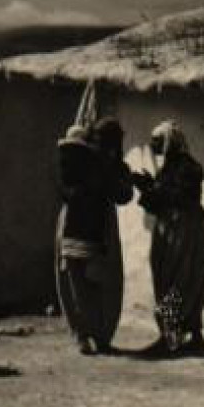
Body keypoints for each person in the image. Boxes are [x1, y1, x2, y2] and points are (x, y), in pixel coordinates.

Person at [130, 120, 204, 355]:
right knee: (176, 276)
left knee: (181, 277)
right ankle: (190, 335)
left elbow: (177, 197)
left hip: (185, 227)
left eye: (157, 141)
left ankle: (171, 337)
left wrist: (151, 188)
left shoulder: (188, 168)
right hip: (173, 226)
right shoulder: (171, 167)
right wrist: (149, 187)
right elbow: (163, 198)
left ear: (169, 142)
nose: (152, 145)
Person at [55, 119, 133, 354]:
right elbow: (65, 188)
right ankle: (82, 334)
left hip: (103, 225)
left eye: (108, 139)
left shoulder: (113, 166)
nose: (102, 143)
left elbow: (124, 195)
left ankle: (101, 335)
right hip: (77, 222)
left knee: (102, 280)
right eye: (98, 138)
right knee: (77, 279)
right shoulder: (79, 161)